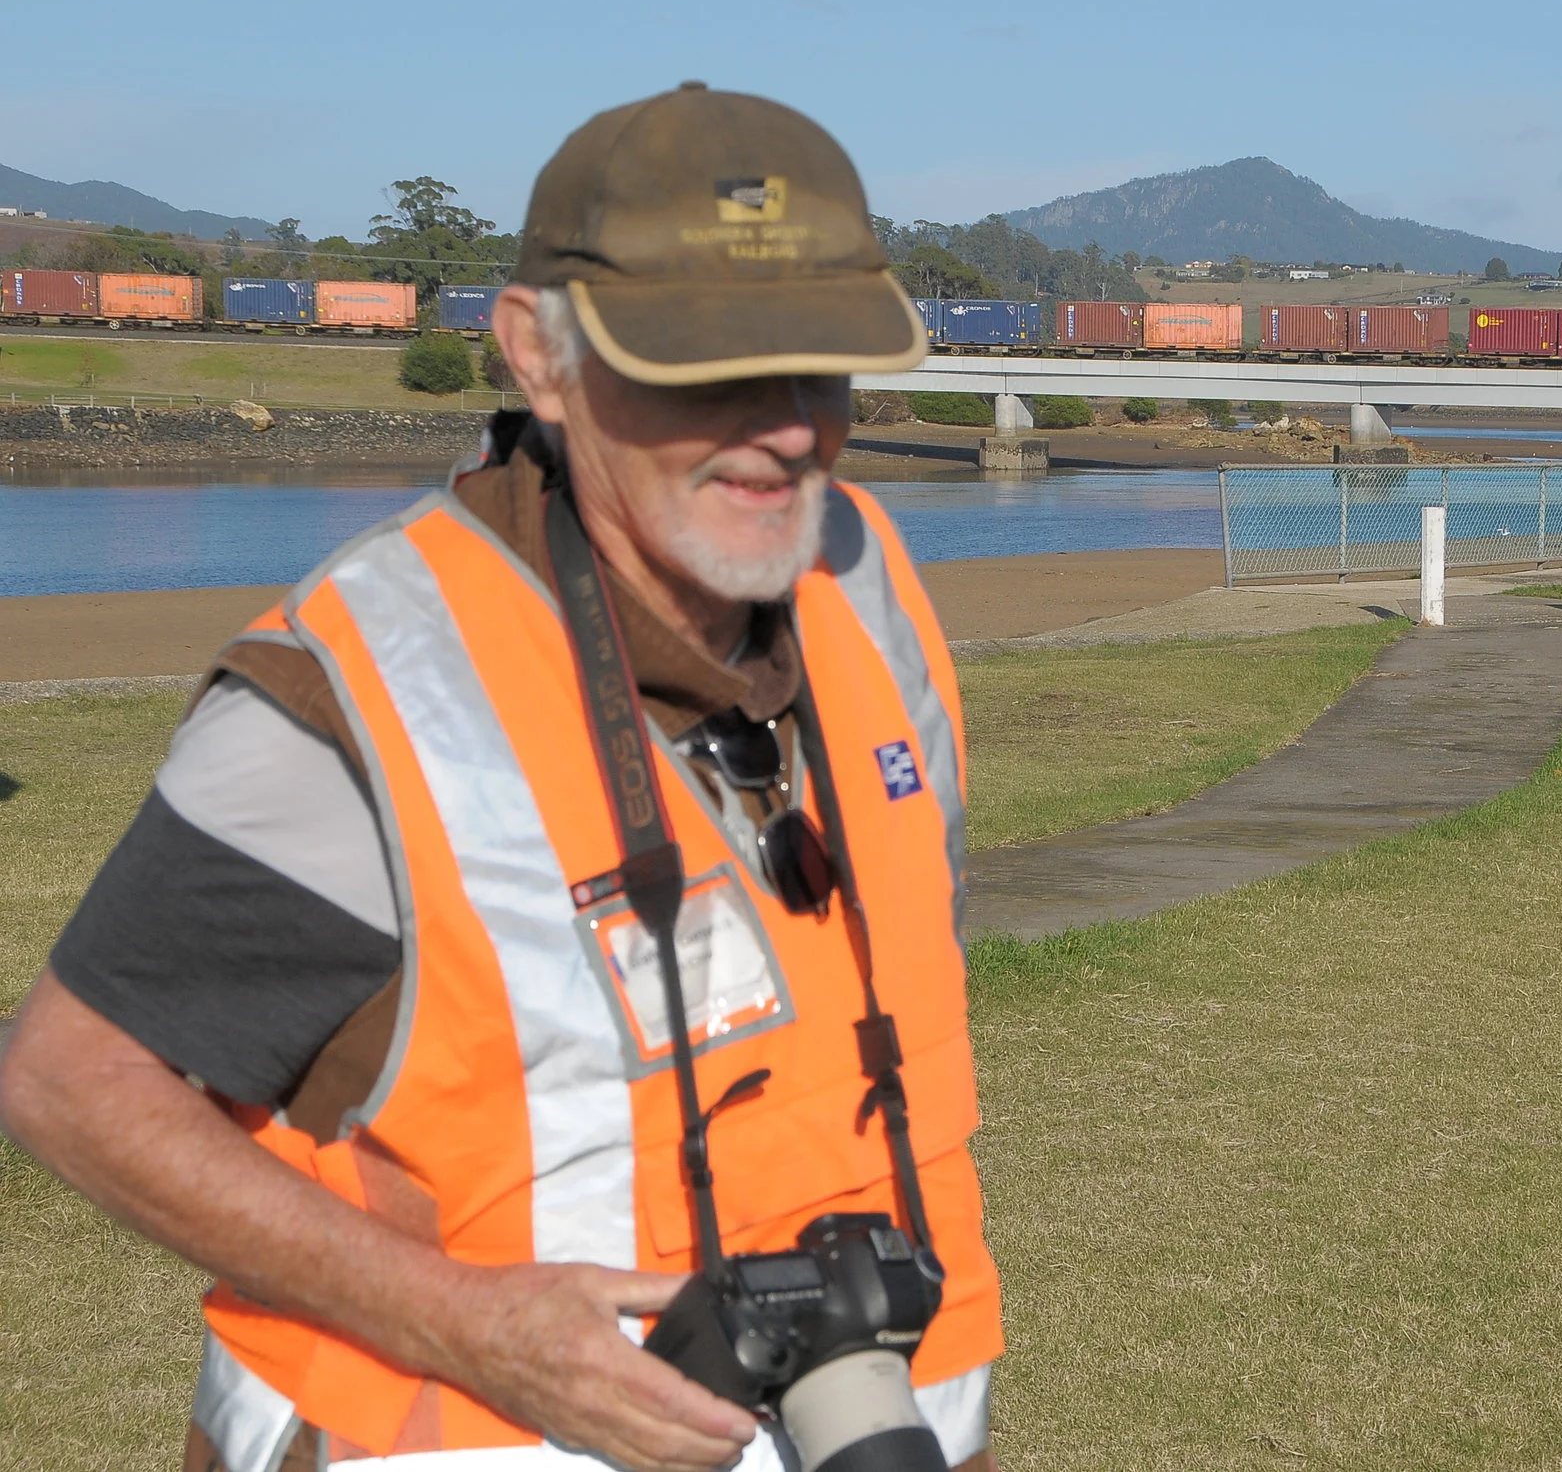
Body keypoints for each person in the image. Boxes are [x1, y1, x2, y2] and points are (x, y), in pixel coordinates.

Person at [0, 85, 1003, 1472]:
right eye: (706, 369)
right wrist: (468, 1324)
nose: (783, 431)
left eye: (818, 367)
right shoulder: (360, 691)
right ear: (539, 354)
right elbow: (70, 1081)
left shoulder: (865, 575)